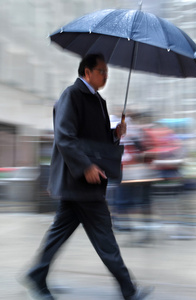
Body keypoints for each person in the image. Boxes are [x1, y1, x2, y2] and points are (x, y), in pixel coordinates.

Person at [20, 54, 152, 300]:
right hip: (80, 181)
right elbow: (64, 137)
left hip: (84, 183)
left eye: (107, 72)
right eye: (101, 71)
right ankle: (128, 289)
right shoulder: (71, 95)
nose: (106, 76)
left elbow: (95, 140)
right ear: (87, 72)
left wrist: (115, 133)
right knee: (104, 236)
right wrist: (86, 167)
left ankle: (36, 275)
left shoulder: (98, 101)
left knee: (59, 233)